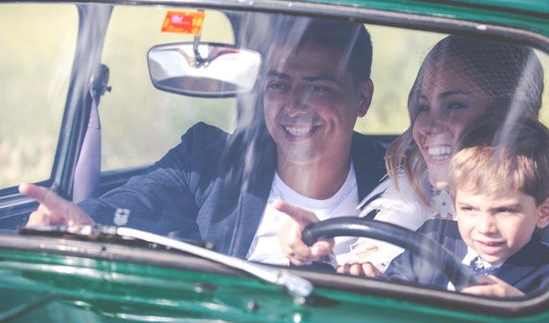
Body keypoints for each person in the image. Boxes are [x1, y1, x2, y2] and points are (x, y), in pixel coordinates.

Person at [19, 17, 387, 263]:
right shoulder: (208, 162)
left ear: (362, 98)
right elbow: (137, 201)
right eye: (277, 84)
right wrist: (84, 222)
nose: (293, 105)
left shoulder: (397, 181)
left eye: (318, 87)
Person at [280, 34, 545, 270]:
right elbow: (370, 271)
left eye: (454, 106)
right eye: (423, 107)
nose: (427, 126)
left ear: (505, 115)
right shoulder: (412, 189)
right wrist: (316, 256)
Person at [385, 117, 549, 297]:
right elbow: (393, 287)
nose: (485, 227)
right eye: (469, 209)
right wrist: (370, 281)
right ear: (455, 203)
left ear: (544, 212)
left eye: (504, 211)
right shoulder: (432, 239)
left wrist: (521, 307)